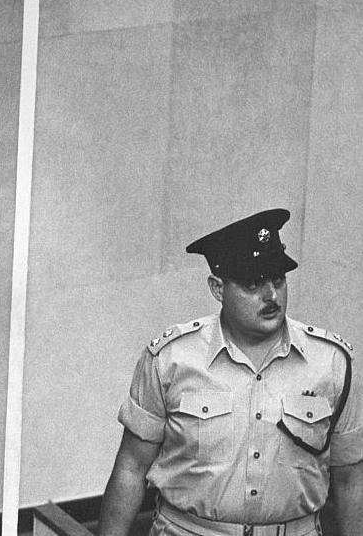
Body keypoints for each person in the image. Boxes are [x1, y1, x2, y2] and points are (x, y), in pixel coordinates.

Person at [97, 209, 363, 535]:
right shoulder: (172, 360)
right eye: (253, 283)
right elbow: (131, 468)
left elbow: (351, 480)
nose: (271, 296)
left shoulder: (332, 363)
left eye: (278, 280)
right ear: (218, 289)